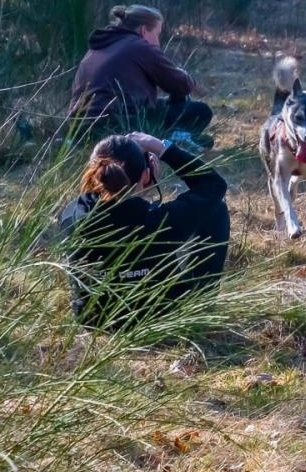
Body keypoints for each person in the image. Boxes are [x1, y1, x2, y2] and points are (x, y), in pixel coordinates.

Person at [57, 132, 230, 327]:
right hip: (161, 317)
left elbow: (114, 211)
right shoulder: (159, 220)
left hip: (93, 321)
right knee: (216, 209)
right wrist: (162, 147)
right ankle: (202, 301)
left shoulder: (70, 214)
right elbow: (214, 185)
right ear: (146, 174)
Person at [67, 4, 213, 144]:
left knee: (163, 105)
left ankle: (179, 137)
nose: (157, 41)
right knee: (200, 111)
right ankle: (172, 140)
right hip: (119, 125)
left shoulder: (99, 46)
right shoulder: (140, 47)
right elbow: (181, 84)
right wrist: (186, 77)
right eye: (157, 34)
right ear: (144, 30)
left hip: (77, 128)